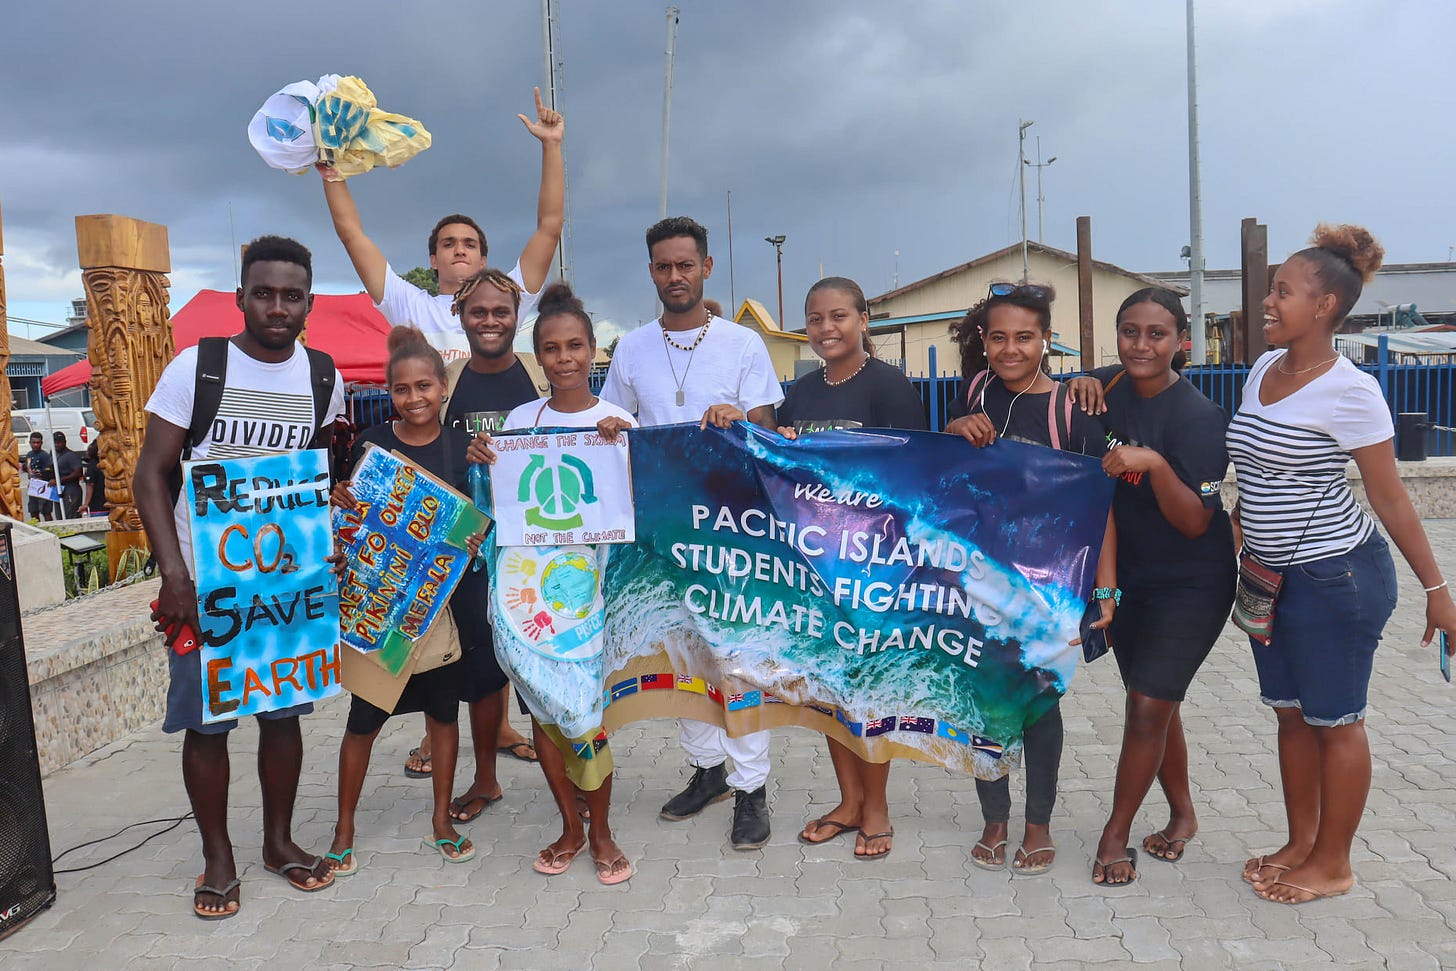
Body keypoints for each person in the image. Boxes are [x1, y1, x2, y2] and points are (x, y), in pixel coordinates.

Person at [319, 89, 564, 777]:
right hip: (443, 501)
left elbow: (548, 225)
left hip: (513, 506)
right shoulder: (416, 305)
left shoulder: (506, 300)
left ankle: (502, 730)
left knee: (499, 629)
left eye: (471, 243)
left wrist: (551, 146)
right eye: (449, 244)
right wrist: (334, 176)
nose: (460, 251)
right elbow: (355, 241)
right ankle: (440, 736)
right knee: (444, 625)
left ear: (489, 260)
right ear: (434, 258)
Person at [1226, 225, 1456, 904]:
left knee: (1336, 720)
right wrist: (1239, 529)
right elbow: (1257, 470)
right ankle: (1301, 842)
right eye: (1272, 290)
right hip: (1270, 576)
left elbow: (1389, 495)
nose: (1268, 302)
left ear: (1324, 306)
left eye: (1283, 292)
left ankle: (1334, 862)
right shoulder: (1264, 367)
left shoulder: (1351, 392)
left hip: (1338, 578)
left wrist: (1437, 588)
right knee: (1290, 714)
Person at [134, 236, 344, 919]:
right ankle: (217, 855)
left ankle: (279, 842)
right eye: (264, 292)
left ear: (309, 302)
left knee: (283, 715)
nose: (277, 306)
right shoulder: (199, 367)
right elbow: (149, 474)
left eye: (291, 295)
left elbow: (315, 479)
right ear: (241, 297)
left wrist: (325, 550)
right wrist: (175, 574)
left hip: (286, 587)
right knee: (209, 722)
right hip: (205, 582)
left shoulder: (322, 375)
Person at [597, 216, 783, 850]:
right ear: (651, 272)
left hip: (732, 529)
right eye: (662, 267)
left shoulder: (742, 345)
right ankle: (707, 773)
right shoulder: (630, 349)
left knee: (738, 655)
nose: (674, 277)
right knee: (681, 656)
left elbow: (767, 437)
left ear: (706, 268)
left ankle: (752, 787)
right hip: (660, 529)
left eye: (685, 265)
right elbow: (614, 427)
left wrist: (739, 421)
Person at [944, 283, 1117, 876]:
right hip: (979, 579)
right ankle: (995, 817)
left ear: (1046, 339)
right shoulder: (974, 391)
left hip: (1050, 587)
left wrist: (1106, 592)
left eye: (1024, 337)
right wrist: (955, 428)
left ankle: (1037, 824)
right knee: (982, 701)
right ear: (984, 341)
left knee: (1041, 704)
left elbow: (1103, 509)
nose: (1010, 349)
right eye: (999, 337)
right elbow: (947, 478)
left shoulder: (1075, 409)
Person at [1067, 287, 1236, 887]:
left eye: (1157, 334)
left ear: (1181, 342)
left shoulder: (1197, 417)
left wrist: (1156, 464)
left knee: (1145, 707)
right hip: (1129, 579)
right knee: (1154, 703)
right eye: (1130, 331)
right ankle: (1183, 814)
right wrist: (1084, 375)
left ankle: (1115, 838)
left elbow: (1196, 522)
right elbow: (1070, 389)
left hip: (1192, 583)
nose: (1142, 344)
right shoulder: (1107, 387)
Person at [471, 283, 636, 884]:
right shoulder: (520, 422)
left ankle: (603, 829)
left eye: (574, 346)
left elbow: (642, 508)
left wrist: (629, 452)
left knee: (584, 714)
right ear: (537, 356)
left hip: (590, 595)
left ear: (593, 350)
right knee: (542, 711)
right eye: (550, 348)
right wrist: (480, 459)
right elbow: (495, 503)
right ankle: (569, 824)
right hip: (528, 593)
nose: (563, 357)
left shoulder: (618, 424)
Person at [326, 326, 488, 875]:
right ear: (389, 392)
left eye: (425, 386)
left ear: (443, 387)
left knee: (444, 717)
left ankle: (441, 820)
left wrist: (475, 536)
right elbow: (349, 524)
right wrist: (341, 505)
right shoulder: (372, 446)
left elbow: (479, 522)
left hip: (436, 616)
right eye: (402, 388)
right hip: (376, 612)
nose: (414, 397)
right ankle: (344, 828)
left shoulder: (462, 451)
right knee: (362, 721)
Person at [778, 277, 927, 861]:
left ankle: (878, 807)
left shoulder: (889, 387)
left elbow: (910, 473)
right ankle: (847, 801)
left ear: (864, 319)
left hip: (873, 562)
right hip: (815, 560)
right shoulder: (802, 391)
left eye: (839, 316)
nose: (827, 328)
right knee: (829, 687)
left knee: (871, 688)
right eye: (816, 319)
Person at [23, 432, 56, 522]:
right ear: (30, 443)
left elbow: (50, 470)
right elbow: (27, 466)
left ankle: (51, 529)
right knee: (33, 511)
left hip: (43, 486)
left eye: (38, 443)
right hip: (33, 485)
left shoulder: (44, 455)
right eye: (34, 442)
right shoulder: (29, 454)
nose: (36, 445)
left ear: (41, 443)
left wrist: (42, 473)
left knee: (46, 511)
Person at [52, 431, 83, 519]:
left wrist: (59, 480)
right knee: (60, 517)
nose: (57, 445)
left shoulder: (71, 455)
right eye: (55, 443)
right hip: (59, 490)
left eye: (59, 442)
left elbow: (78, 473)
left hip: (71, 489)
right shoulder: (55, 455)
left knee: (71, 516)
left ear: (65, 442)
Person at [82, 440, 107, 517]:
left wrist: (86, 503)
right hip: (110, 502)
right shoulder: (108, 463)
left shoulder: (92, 466)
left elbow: (90, 485)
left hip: (97, 505)